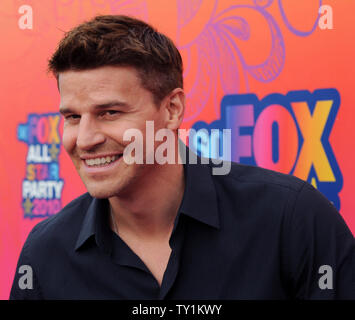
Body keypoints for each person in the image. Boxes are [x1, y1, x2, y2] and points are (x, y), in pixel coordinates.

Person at [10, 15, 354, 300]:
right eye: (72, 117)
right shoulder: (45, 255)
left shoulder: (291, 220)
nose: (84, 139)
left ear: (172, 109)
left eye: (110, 112)